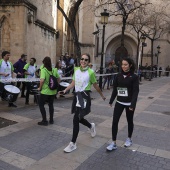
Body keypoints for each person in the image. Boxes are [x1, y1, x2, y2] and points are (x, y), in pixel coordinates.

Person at [61, 53, 106, 153]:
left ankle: (73, 143)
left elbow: (95, 85)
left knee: (76, 119)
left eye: (86, 60)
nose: (83, 61)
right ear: (80, 60)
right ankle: (91, 126)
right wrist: (65, 89)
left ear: (88, 62)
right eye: (82, 59)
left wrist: (102, 95)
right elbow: (73, 82)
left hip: (84, 97)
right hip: (77, 96)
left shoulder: (90, 72)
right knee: (79, 118)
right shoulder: (76, 70)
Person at [106, 58, 139, 151]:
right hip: (119, 102)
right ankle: (114, 142)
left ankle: (129, 138)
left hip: (129, 103)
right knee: (115, 121)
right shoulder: (118, 76)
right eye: (123, 65)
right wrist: (111, 101)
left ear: (130, 65)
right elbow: (115, 89)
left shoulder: (134, 77)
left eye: (126, 64)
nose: (124, 66)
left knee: (129, 121)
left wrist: (132, 104)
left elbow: (136, 92)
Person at [37, 56, 60, 126]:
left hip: (45, 91)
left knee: (41, 105)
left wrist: (39, 87)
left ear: (44, 62)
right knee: (51, 105)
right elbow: (59, 79)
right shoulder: (54, 70)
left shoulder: (44, 70)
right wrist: (55, 85)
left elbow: (42, 80)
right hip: (53, 91)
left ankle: (44, 120)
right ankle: (51, 120)